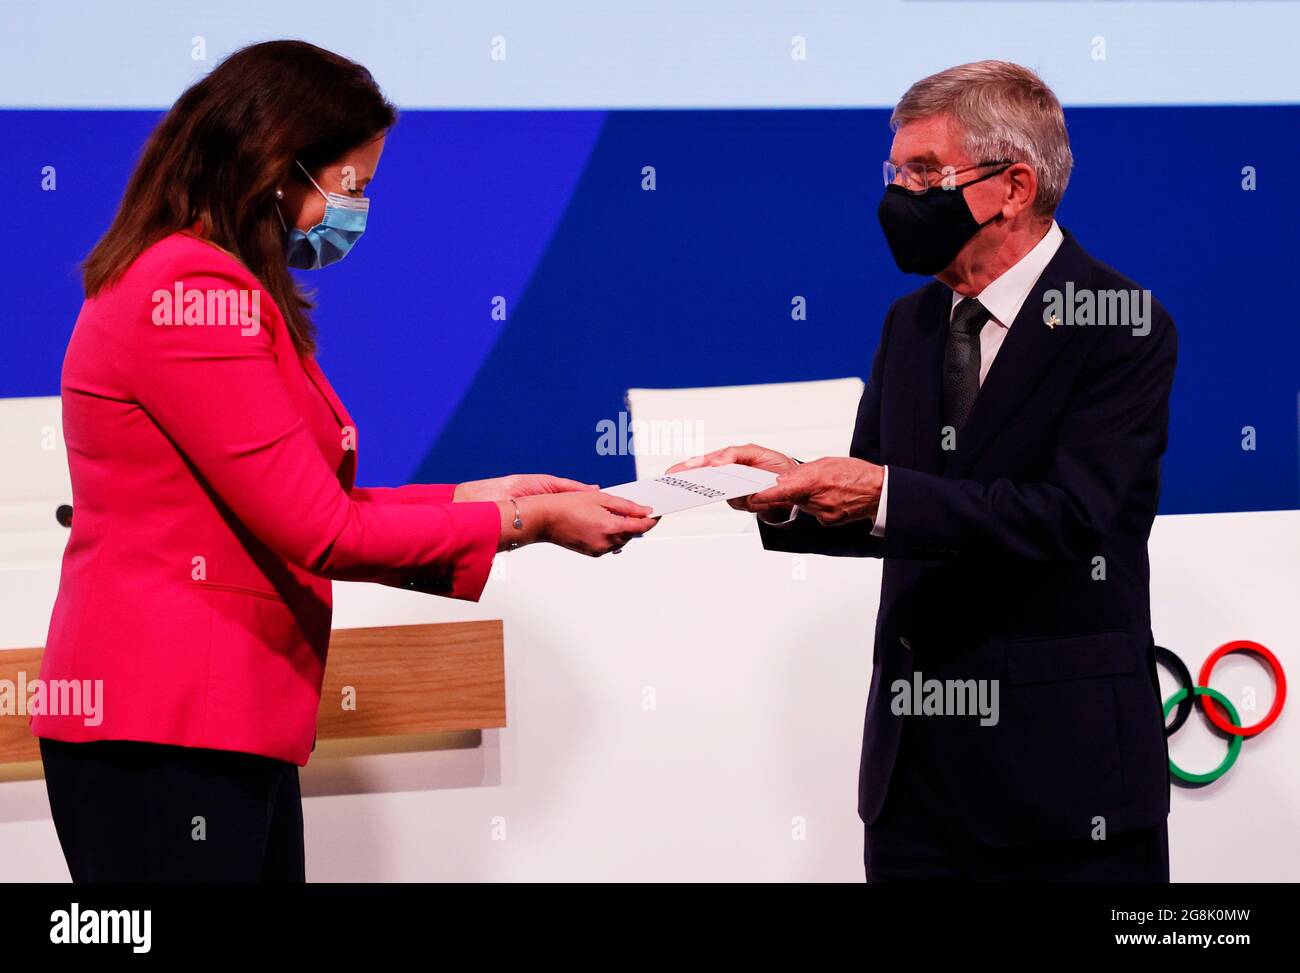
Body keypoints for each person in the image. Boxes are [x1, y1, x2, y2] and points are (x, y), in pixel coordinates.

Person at [31, 40, 656, 883]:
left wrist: (483, 493)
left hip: (217, 725)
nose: (356, 210)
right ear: (277, 167)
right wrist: (521, 522)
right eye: (351, 186)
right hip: (167, 731)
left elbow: (308, 496)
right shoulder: (192, 294)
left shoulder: (209, 282)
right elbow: (319, 528)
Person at [674, 61, 1175, 881]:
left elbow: (1069, 518)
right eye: (895, 172)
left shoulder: (1120, 322)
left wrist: (877, 492)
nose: (901, 195)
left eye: (925, 173)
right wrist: (787, 491)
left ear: (1014, 185)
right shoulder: (909, 324)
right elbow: (892, 509)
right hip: (915, 790)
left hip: (1063, 785)